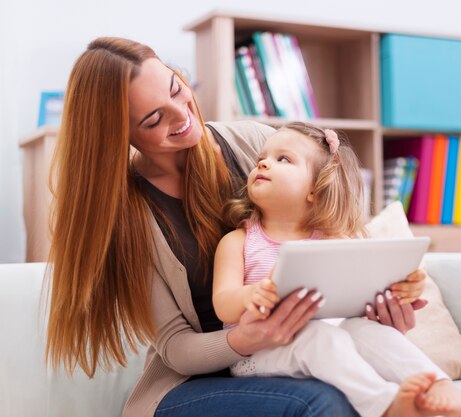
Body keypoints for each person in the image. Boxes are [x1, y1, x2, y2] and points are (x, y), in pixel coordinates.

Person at [44, 37, 429, 417]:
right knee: (323, 400)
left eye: (177, 89)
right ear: (119, 137)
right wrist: (247, 338)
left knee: (363, 383)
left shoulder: (260, 146)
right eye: (154, 119)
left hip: (296, 352)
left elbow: (337, 243)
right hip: (192, 386)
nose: (182, 116)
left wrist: (384, 302)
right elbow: (176, 348)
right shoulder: (128, 215)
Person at [213, 122, 461, 417]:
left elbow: (367, 289)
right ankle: (385, 406)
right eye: (262, 158)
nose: (264, 163)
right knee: (321, 337)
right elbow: (223, 304)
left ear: (314, 189)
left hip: (325, 342)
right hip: (257, 356)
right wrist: (250, 295)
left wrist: (407, 286)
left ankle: (437, 382)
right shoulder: (239, 241)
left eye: (283, 159)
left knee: (363, 329)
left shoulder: (334, 241)